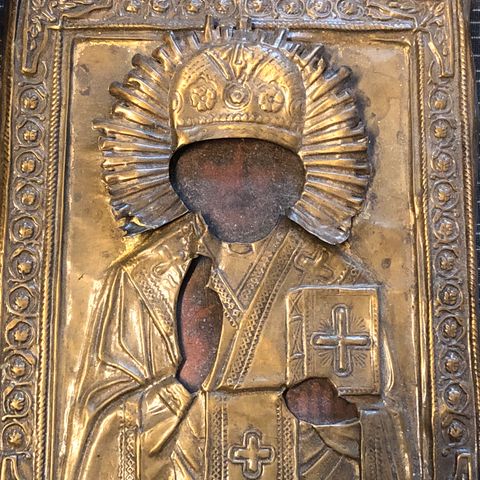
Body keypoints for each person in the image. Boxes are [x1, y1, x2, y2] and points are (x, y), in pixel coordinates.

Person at [66, 20, 408, 480]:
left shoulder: (337, 279)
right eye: (218, 161)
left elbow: (401, 431)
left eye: (260, 164)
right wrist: (188, 374)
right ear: (185, 175)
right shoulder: (143, 280)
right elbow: (97, 438)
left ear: (292, 175)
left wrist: (341, 419)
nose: (239, 182)